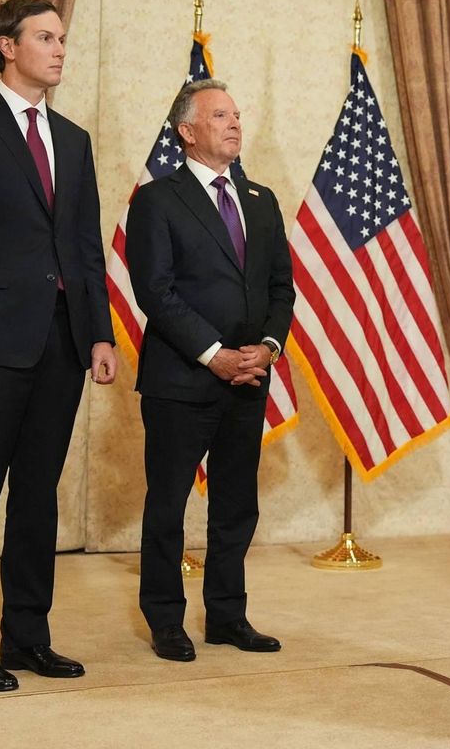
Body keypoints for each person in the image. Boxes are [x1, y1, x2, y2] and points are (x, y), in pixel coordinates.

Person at [0, 0, 116, 692]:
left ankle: (27, 636)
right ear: (7, 46)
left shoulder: (74, 139)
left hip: (62, 345)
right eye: (45, 37)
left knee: (37, 498)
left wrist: (98, 332)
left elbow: (85, 247)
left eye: (63, 37)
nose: (60, 48)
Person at [126, 79, 294, 663]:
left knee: (236, 506)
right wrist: (213, 354)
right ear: (187, 131)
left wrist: (267, 347)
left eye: (237, 114)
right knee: (168, 505)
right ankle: (165, 620)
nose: (234, 123)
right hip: (181, 380)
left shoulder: (261, 199)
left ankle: (227, 616)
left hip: (249, 379)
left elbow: (281, 287)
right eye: (220, 115)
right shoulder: (157, 200)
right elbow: (155, 290)